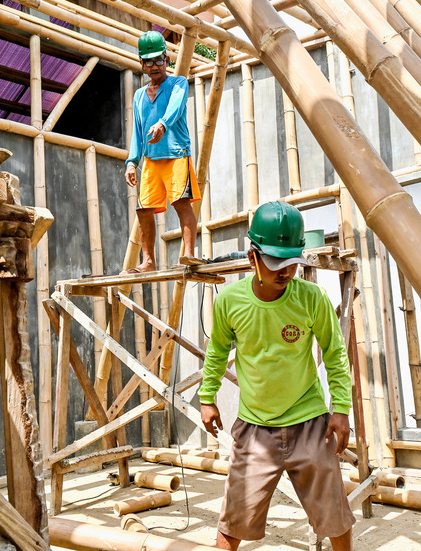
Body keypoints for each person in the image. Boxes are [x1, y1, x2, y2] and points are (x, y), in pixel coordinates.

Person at [198, 201, 355, 551]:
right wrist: (207, 398)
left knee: (334, 514)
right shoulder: (229, 302)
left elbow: (335, 355)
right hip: (255, 428)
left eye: (291, 262)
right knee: (234, 518)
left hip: (310, 422)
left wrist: (341, 409)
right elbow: (217, 353)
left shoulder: (312, 299)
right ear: (253, 255)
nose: (284, 271)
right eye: (275, 261)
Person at [124, 30, 201, 273]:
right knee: (143, 209)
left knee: (181, 202)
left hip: (177, 154)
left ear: (167, 60)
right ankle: (148, 261)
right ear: (142, 64)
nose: (155, 66)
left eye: (159, 60)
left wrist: (163, 124)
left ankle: (188, 255)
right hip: (151, 160)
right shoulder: (138, 96)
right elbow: (137, 131)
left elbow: (176, 107)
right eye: (149, 61)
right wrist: (131, 162)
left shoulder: (177, 83)